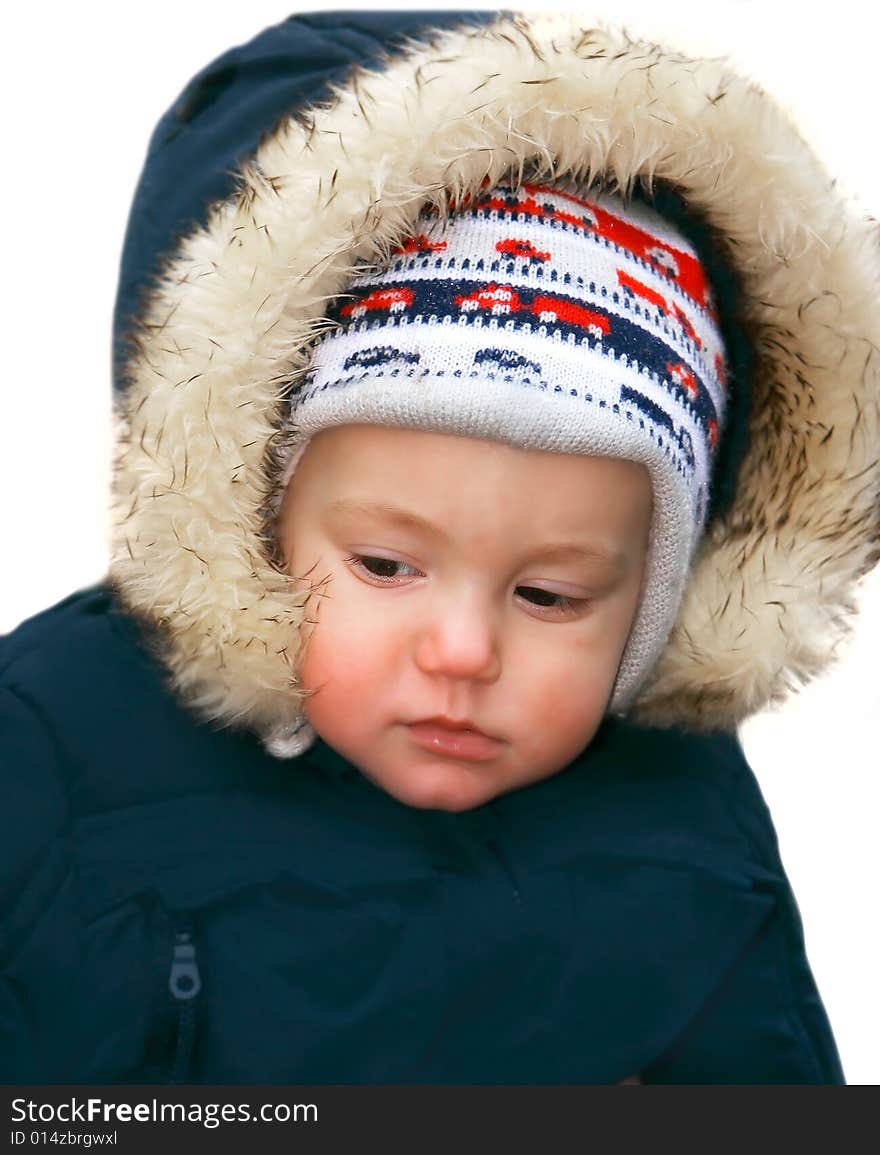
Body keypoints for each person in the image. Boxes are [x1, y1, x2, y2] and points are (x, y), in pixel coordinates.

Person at [2, 8, 876, 1084]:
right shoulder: (50, 749)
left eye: (551, 594)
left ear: (655, 600)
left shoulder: (682, 812)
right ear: (247, 516)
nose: (462, 650)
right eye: (385, 566)